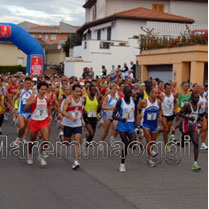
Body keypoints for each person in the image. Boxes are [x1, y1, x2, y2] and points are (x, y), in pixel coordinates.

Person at [24, 81, 50, 166]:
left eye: (45, 90)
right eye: (42, 89)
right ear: (38, 89)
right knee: (32, 140)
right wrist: (30, 103)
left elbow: (49, 106)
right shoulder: (33, 97)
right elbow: (25, 109)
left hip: (43, 121)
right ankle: (30, 155)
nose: (43, 91)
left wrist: (49, 115)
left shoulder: (46, 98)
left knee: (46, 139)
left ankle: (41, 156)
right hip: (34, 121)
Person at [113, 86, 136, 172]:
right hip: (122, 125)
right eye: (128, 93)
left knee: (133, 145)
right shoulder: (120, 101)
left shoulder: (133, 100)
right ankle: (122, 164)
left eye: (131, 92)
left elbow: (136, 112)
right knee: (126, 144)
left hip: (131, 125)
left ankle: (129, 147)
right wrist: (120, 119)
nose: (130, 94)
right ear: (124, 93)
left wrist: (137, 122)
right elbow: (113, 115)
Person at [138, 86, 162, 167]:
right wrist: (139, 116)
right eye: (155, 93)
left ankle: (150, 151)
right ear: (151, 93)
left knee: (153, 141)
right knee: (149, 141)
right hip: (146, 124)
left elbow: (161, 109)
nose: (157, 94)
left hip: (154, 124)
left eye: (157, 93)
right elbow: (137, 108)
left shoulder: (158, 102)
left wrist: (160, 116)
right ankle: (150, 159)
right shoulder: (144, 101)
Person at [61, 84, 84, 169]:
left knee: (77, 141)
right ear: (72, 91)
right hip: (68, 123)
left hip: (77, 123)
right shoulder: (68, 99)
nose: (78, 93)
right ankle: (63, 138)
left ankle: (76, 161)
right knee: (67, 142)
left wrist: (82, 120)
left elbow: (80, 110)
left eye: (80, 91)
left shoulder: (82, 100)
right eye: (76, 91)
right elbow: (63, 111)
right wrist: (70, 117)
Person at [178, 93, 202, 171]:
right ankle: (178, 141)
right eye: (195, 97)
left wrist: (199, 118)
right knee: (183, 143)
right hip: (186, 125)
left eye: (198, 98)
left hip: (193, 126)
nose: (197, 99)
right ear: (192, 98)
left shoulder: (199, 106)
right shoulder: (187, 105)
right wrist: (188, 117)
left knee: (196, 143)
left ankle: (195, 163)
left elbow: (199, 115)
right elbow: (180, 113)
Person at [12, 77, 32, 146]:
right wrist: (14, 107)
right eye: (27, 83)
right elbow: (14, 99)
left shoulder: (32, 92)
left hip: (29, 112)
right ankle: (17, 139)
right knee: (22, 126)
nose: (28, 85)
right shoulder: (20, 91)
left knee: (26, 128)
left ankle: (21, 138)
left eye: (30, 83)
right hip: (21, 112)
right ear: (24, 83)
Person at [82, 85, 101, 156]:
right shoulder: (85, 98)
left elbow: (99, 110)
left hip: (94, 118)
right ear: (89, 90)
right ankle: (85, 146)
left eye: (95, 90)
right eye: (92, 90)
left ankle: (85, 145)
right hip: (87, 118)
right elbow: (82, 108)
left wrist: (99, 107)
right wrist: (84, 112)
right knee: (91, 133)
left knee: (91, 136)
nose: (94, 91)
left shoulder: (96, 98)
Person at [159, 83, 177, 148]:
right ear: (164, 89)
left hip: (171, 115)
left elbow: (175, 102)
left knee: (167, 130)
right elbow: (158, 104)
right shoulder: (161, 96)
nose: (168, 89)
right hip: (164, 115)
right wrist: (160, 115)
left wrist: (175, 109)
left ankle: (160, 130)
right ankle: (166, 144)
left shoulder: (173, 95)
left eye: (170, 88)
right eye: (167, 88)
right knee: (166, 129)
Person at [198, 84, 208, 150]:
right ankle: (203, 143)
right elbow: (192, 106)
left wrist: (206, 107)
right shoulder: (196, 96)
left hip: (203, 113)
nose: (203, 90)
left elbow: (205, 104)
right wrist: (199, 105)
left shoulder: (204, 96)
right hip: (198, 114)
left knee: (206, 128)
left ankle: (203, 143)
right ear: (198, 89)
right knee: (204, 127)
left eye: (203, 89)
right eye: (201, 89)